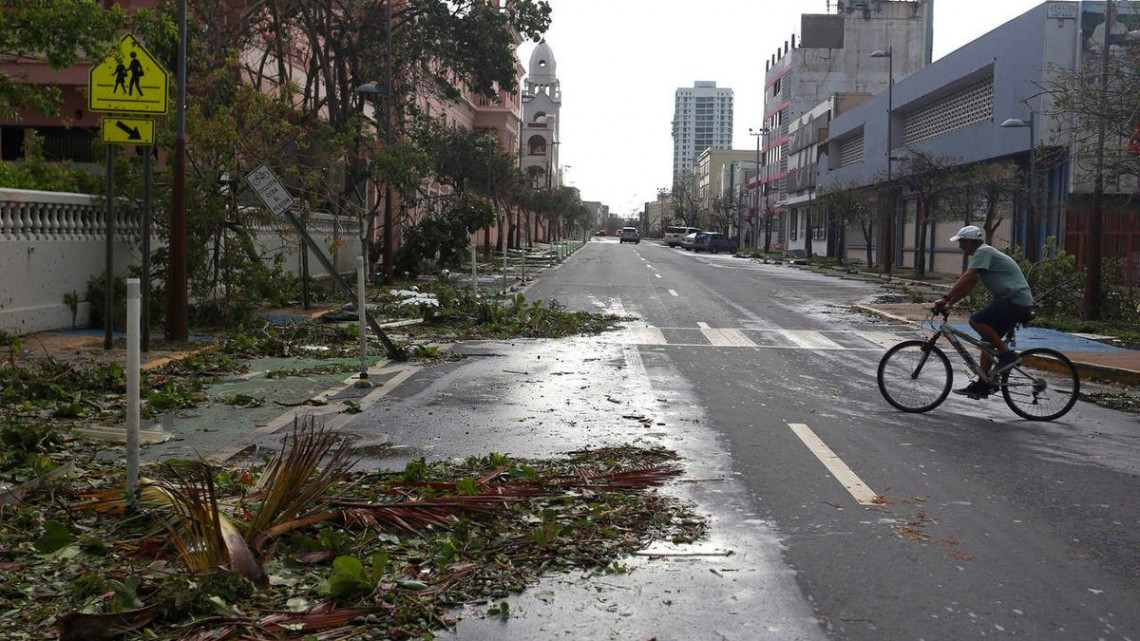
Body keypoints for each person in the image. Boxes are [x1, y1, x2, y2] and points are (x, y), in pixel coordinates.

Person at [933, 225, 1034, 399]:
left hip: (1015, 301)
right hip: (1012, 301)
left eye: (962, 243)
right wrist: (950, 302)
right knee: (987, 343)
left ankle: (1008, 356)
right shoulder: (983, 256)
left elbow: (967, 277)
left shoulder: (984, 252)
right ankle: (983, 383)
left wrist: (945, 297)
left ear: (971, 242)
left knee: (976, 321)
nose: (960, 247)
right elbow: (969, 285)